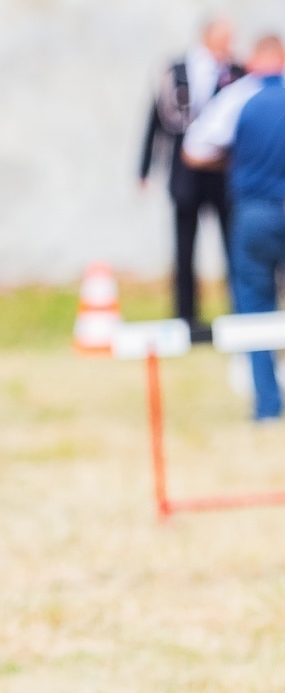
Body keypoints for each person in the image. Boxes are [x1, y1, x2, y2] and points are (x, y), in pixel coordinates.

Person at [185, 35, 285, 420]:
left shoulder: (239, 96)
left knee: (256, 309)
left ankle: (267, 406)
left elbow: (195, 150)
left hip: (256, 213)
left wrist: (237, 160)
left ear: (254, 61)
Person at [140, 18, 246, 342]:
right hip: (185, 174)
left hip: (223, 172)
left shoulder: (239, 74)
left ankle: (240, 315)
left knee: (233, 247)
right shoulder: (177, 70)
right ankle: (186, 319)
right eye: (224, 38)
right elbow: (155, 120)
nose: (228, 45)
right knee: (185, 248)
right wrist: (144, 169)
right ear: (207, 38)